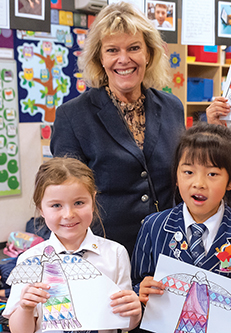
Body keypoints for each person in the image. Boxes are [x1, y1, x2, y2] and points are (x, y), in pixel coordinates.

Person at [51, 2, 184, 256]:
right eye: (112, 50)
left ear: (149, 54)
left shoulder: (172, 107)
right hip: (105, 252)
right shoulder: (72, 116)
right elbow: (65, 195)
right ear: (100, 58)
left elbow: (182, 175)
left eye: (134, 48)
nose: (124, 59)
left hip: (168, 247)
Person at [131, 123, 231, 332]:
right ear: (176, 175)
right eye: (188, 171)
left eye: (212, 174)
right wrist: (140, 290)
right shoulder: (153, 227)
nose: (199, 183)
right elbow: (135, 283)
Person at [3, 157, 141, 333]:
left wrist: (134, 313)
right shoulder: (29, 259)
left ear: (92, 201)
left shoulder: (115, 253)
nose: (68, 214)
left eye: (79, 203)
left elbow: (125, 322)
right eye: (56, 205)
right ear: (41, 209)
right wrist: (25, 308)